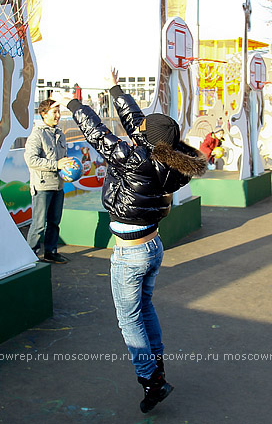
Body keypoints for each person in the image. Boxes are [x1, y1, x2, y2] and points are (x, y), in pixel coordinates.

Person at [58, 68, 206, 413]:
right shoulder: (169, 159)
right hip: (152, 246)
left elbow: (99, 135)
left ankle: (151, 379)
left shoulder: (135, 160)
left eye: (143, 129)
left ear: (149, 140)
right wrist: (115, 89)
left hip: (131, 253)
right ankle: (158, 368)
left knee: (129, 319)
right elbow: (139, 123)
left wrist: (75, 105)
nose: (138, 127)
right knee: (145, 309)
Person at [23, 98, 73, 264]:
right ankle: (30, 255)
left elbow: (61, 159)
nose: (58, 115)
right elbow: (31, 160)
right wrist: (55, 164)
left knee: (54, 222)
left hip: (58, 185)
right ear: (44, 114)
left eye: (59, 111)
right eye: (54, 111)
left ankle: (51, 252)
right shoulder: (37, 134)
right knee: (38, 224)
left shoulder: (60, 134)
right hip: (42, 186)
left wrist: (68, 164)